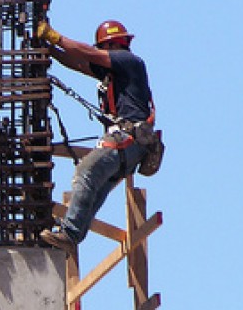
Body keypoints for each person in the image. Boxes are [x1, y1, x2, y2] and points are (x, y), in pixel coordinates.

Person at [36, 19, 157, 251]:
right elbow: (79, 63)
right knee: (96, 187)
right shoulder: (116, 72)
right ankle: (70, 238)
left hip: (127, 138)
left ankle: (69, 233)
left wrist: (55, 37)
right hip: (131, 146)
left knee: (87, 171)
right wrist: (52, 50)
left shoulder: (127, 60)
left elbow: (87, 53)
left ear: (111, 45)